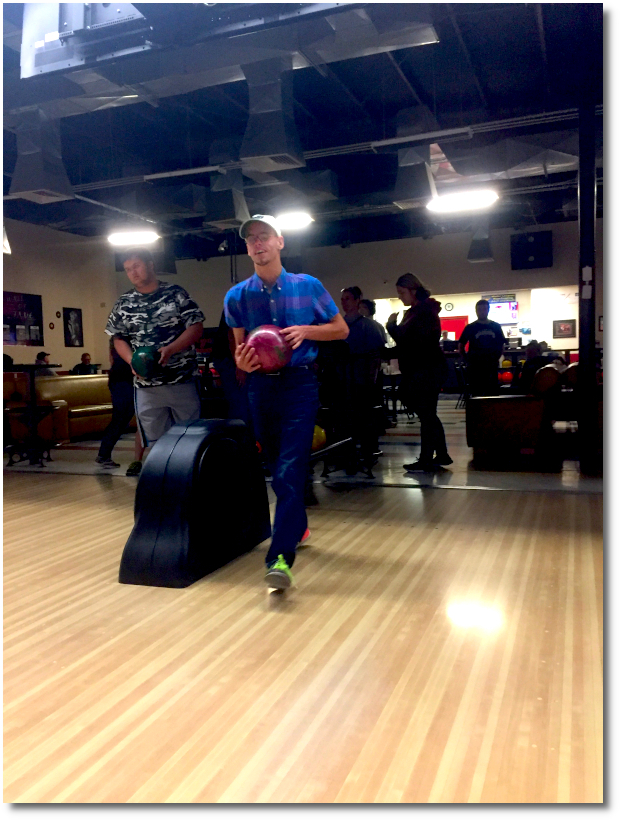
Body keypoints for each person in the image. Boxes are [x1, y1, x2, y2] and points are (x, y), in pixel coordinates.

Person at [224, 214, 348, 590]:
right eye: (251, 239)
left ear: (280, 242)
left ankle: (279, 557)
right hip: (260, 388)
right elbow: (239, 350)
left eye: (264, 236)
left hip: (299, 385)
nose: (257, 243)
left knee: (288, 471)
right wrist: (242, 362)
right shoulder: (236, 296)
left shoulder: (307, 286)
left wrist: (307, 330)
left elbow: (340, 329)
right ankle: (299, 527)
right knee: (277, 466)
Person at [105, 248, 205, 469]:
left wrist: (171, 349)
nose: (133, 272)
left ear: (150, 264)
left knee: (189, 437)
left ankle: (188, 478)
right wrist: (132, 360)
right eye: (128, 269)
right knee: (156, 443)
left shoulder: (175, 294)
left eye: (137, 266)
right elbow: (117, 338)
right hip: (146, 385)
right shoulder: (124, 303)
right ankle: (163, 480)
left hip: (181, 378)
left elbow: (196, 327)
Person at [386, 272, 452, 471]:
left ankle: (427, 458)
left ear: (413, 290)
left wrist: (392, 328)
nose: (400, 297)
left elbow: (413, 343)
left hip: (426, 369)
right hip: (424, 368)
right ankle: (440, 454)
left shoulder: (424, 312)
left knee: (426, 414)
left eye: (402, 292)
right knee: (428, 414)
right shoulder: (417, 312)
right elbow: (408, 343)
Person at [340, 287, 386, 467]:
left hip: (362, 378)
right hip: (343, 378)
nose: (344, 302)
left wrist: (371, 380)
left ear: (357, 300)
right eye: (342, 299)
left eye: (348, 299)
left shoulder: (369, 326)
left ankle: (368, 451)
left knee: (365, 417)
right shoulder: (339, 326)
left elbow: (376, 355)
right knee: (346, 418)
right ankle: (347, 452)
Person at [95, 339, 145, 471]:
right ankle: (103, 454)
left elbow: (113, 359)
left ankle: (104, 454)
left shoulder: (116, 339)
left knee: (121, 419)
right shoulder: (128, 338)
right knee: (120, 419)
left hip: (119, 379)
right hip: (124, 380)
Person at [458, 299, 506, 396]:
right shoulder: (470, 327)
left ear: (488, 310)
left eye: (484, 309)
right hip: (475, 366)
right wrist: (467, 360)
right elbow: (461, 345)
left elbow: (501, 345)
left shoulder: (496, 326)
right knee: (477, 393)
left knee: (492, 393)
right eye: (479, 309)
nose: (482, 312)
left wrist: (496, 358)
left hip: (491, 365)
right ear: (476, 311)